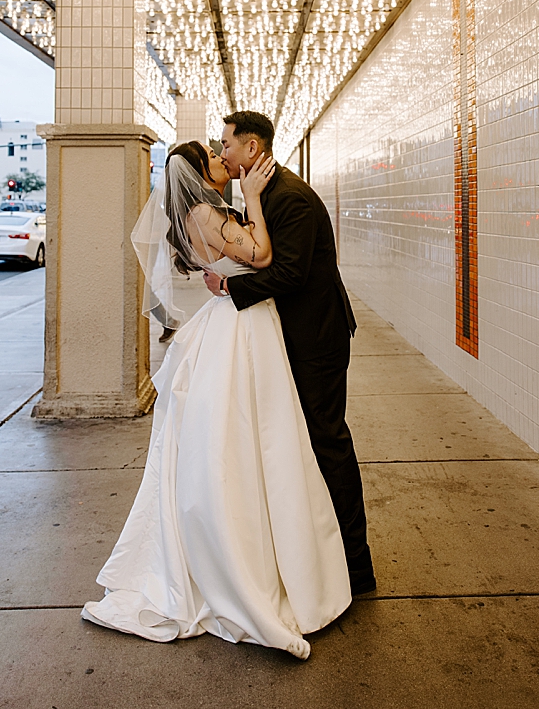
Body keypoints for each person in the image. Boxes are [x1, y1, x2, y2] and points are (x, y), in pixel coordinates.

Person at [82, 137, 351, 659]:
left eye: (222, 151)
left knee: (248, 431)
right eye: (213, 157)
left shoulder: (198, 212)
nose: (222, 160)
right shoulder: (207, 213)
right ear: (198, 174)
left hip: (237, 321)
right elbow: (264, 255)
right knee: (249, 431)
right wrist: (251, 196)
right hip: (240, 329)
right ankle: (240, 561)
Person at [204, 110, 374, 595]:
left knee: (328, 442)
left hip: (317, 339)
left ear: (252, 148)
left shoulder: (291, 198)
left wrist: (229, 288)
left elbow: (291, 274)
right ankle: (320, 556)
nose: (223, 154)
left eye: (227, 145)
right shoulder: (264, 194)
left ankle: (357, 569)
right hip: (298, 334)